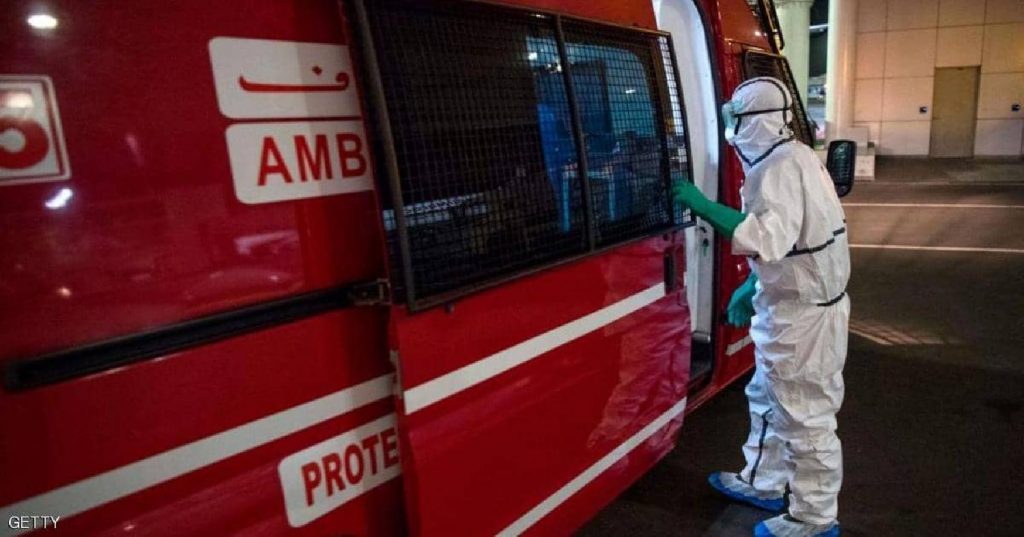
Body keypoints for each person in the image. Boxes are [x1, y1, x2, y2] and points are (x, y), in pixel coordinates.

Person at [673, 77, 850, 537]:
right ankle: (763, 481)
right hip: (792, 305)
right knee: (769, 398)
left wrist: (702, 205)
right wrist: (752, 284)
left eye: (736, 118)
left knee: (804, 415)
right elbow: (801, 240)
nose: (731, 129)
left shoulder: (780, 167)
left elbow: (765, 237)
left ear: (757, 121)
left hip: (805, 318)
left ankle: (814, 517)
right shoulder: (794, 157)